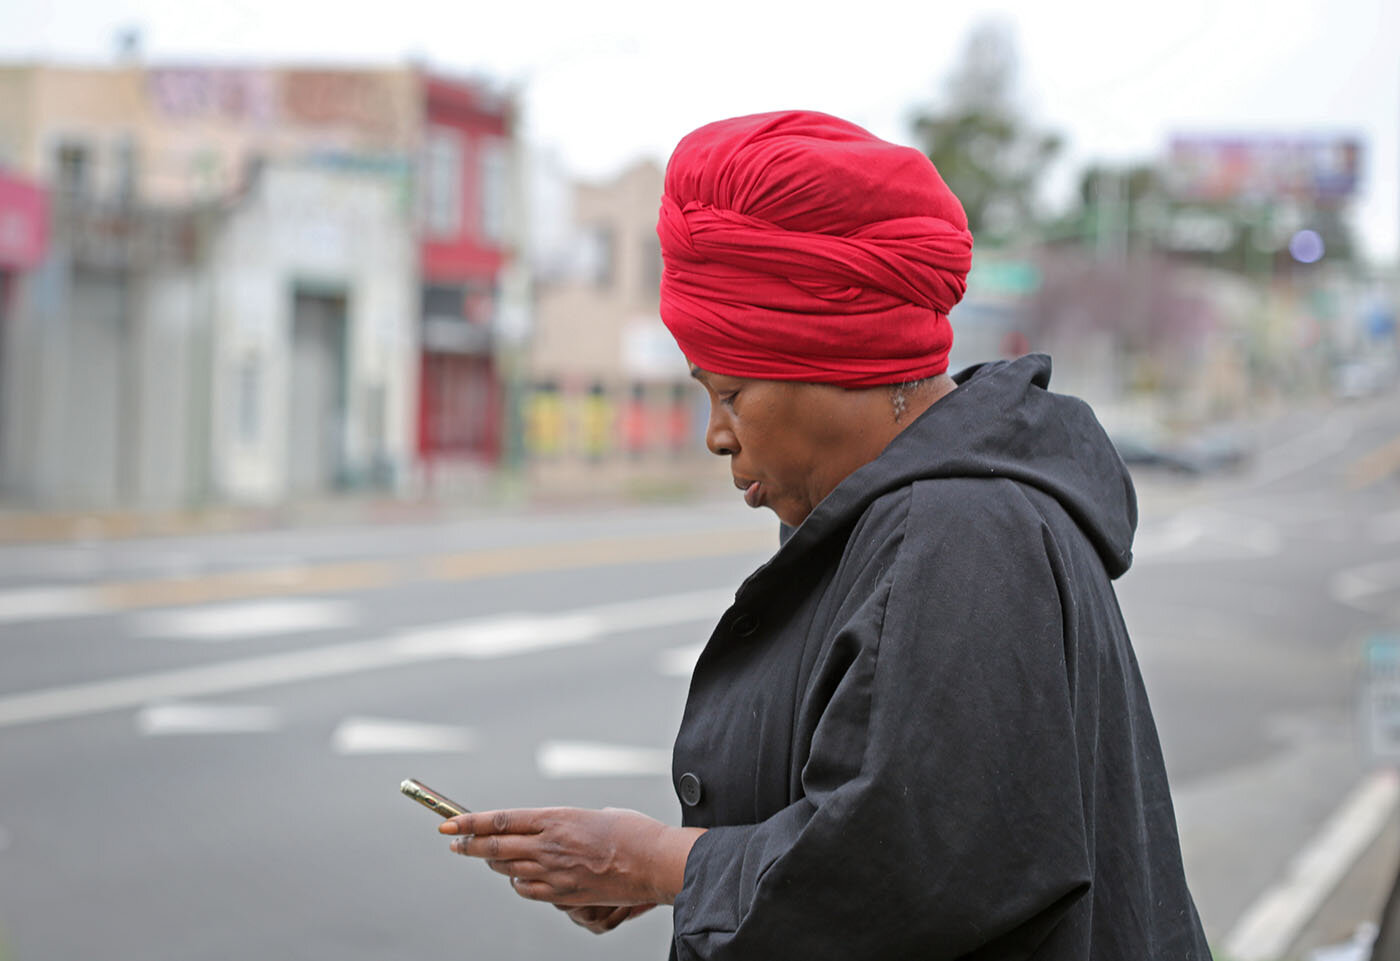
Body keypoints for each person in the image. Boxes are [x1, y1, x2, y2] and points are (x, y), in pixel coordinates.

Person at [437, 109, 1211, 959]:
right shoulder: (945, 512)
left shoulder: (955, 531)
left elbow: (904, 873)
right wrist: (671, 876)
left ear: (841, 361)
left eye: (731, 392)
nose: (716, 435)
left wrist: (660, 863)